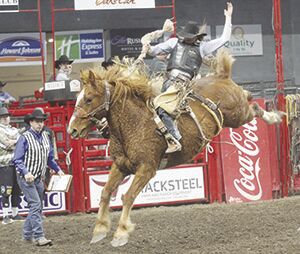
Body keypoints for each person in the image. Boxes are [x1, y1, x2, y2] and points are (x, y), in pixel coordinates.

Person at [145, 2, 233, 153]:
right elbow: (154, 51)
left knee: (161, 106)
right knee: (146, 103)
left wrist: (228, 18)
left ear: (195, 37)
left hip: (182, 84)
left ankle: (175, 137)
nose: (187, 39)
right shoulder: (173, 43)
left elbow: (224, 39)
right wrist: (148, 47)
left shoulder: (202, 48)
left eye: (190, 37)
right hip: (167, 81)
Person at [13, 108, 64, 246]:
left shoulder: (46, 137)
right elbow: (17, 159)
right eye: (37, 121)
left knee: (37, 207)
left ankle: (26, 235)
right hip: (26, 178)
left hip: (38, 178)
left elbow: (49, 158)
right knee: (36, 205)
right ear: (31, 122)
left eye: (41, 121)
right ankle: (39, 236)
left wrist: (58, 170)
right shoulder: (24, 137)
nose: (40, 124)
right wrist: (26, 172)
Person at [0, 107, 25, 224]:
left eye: (7, 116)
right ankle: (6, 215)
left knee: (16, 188)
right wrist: (16, 142)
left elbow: (16, 143)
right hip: (4, 164)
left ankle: (15, 213)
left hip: (15, 163)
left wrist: (13, 142)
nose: (5, 118)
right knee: (6, 189)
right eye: (3, 116)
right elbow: (6, 144)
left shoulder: (13, 130)